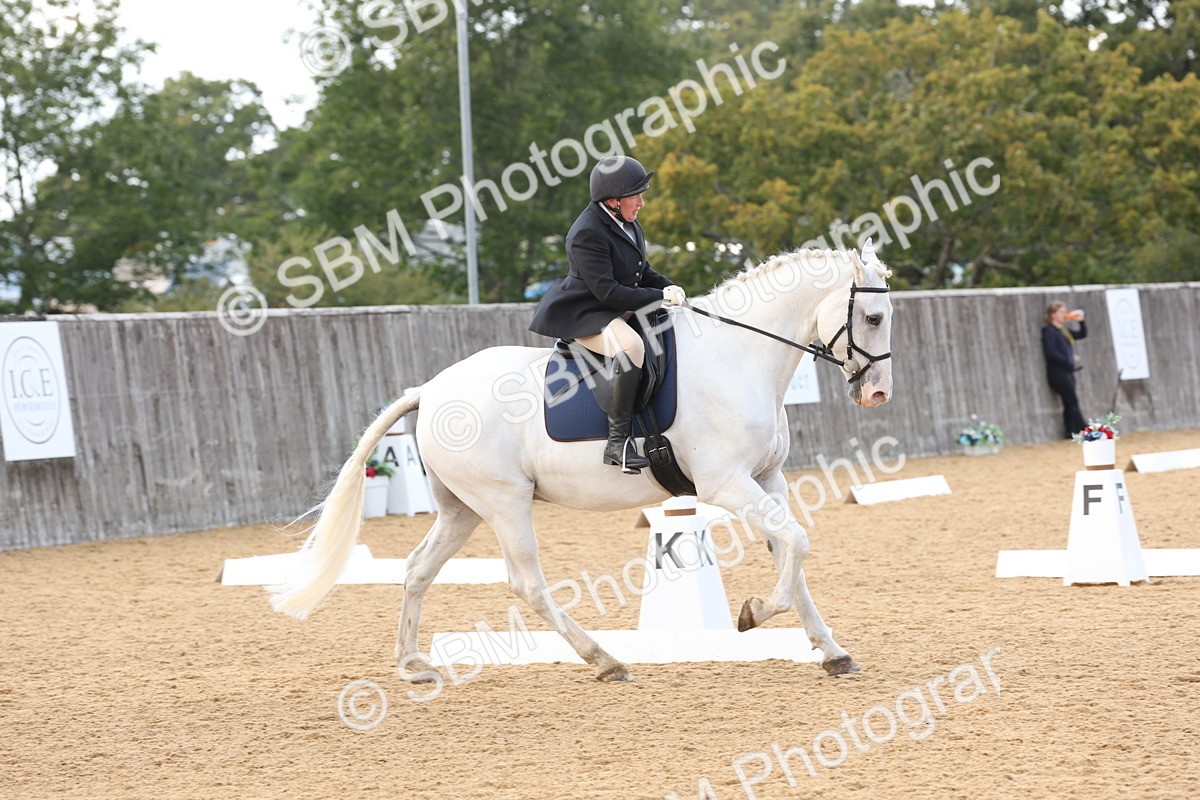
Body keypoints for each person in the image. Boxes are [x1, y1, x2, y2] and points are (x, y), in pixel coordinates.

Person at [529, 155, 686, 474]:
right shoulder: (586, 233)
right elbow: (609, 293)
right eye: (636, 195)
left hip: (615, 306)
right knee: (632, 347)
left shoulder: (626, 222)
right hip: (587, 313)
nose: (642, 202)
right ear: (614, 201)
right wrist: (659, 297)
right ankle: (617, 445)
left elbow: (644, 270)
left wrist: (671, 287)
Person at [1041, 301, 1088, 439]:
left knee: (1069, 403)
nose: (1064, 315)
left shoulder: (1063, 330)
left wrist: (1082, 322)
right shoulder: (1050, 331)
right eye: (1061, 312)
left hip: (1067, 371)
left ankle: (1070, 431)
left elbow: (1081, 334)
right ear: (1053, 315)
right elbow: (1050, 352)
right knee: (1072, 401)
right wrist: (1068, 360)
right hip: (1058, 372)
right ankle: (1083, 428)